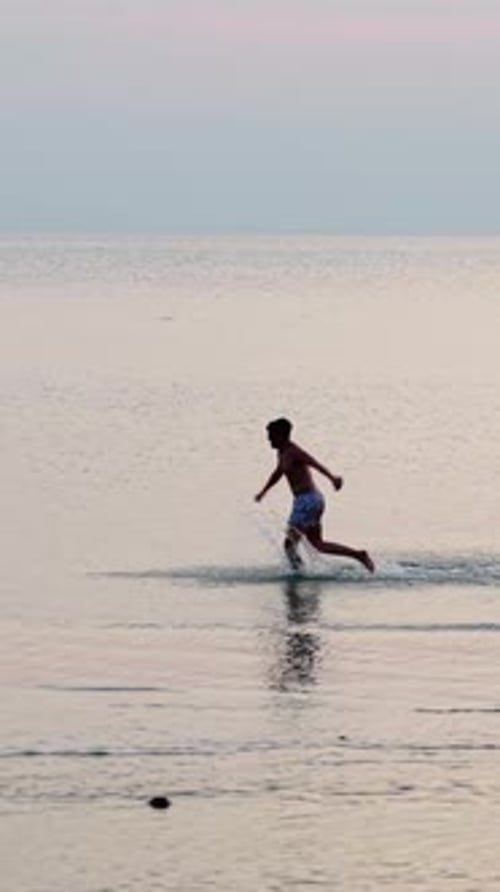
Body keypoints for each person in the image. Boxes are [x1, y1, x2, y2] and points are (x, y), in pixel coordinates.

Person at [255, 417, 374, 573]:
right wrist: (264, 492)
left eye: (271, 435)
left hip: (307, 501)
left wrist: (332, 478)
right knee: (317, 544)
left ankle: (298, 573)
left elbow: (313, 463)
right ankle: (358, 555)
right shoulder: (282, 453)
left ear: (281, 435)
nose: (268, 439)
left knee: (289, 544)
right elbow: (278, 473)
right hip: (311, 500)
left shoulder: (293, 451)